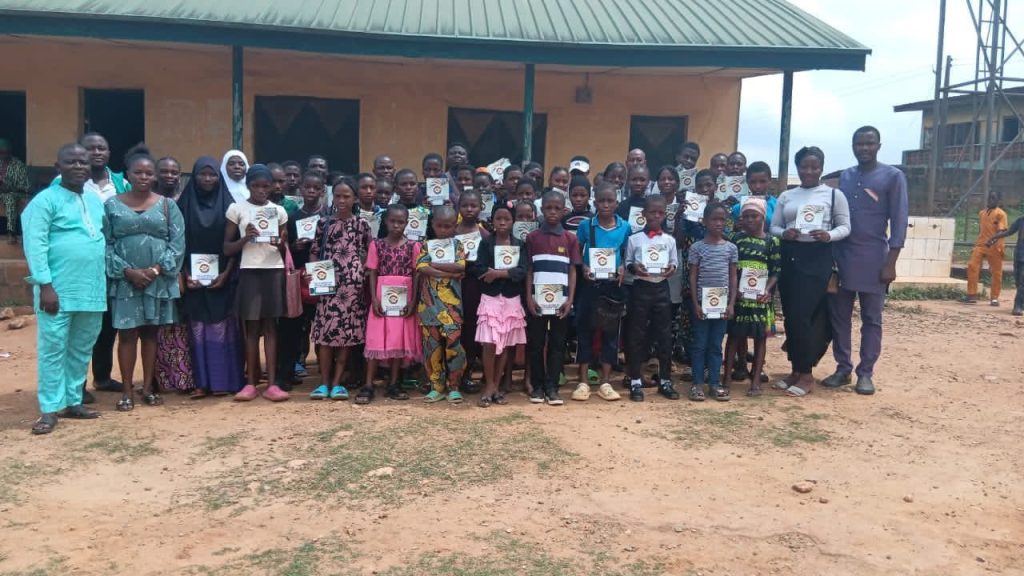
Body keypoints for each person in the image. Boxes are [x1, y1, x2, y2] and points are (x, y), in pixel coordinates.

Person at [23, 143, 105, 434]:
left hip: (92, 289)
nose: (79, 166)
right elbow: (35, 245)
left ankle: (73, 401)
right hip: (57, 290)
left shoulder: (94, 200)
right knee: (53, 348)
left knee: (81, 348)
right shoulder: (44, 201)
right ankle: (49, 409)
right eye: (71, 162)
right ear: (58, 167)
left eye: (83, 162)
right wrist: (45, 285)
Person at [825, 126, 909, 396]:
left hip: (874, 259)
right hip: (842, 257)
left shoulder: (893, 176)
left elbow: (899, 221)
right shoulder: (846, 176)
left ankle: (866, 373)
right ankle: (843, 368)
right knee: (839, 317)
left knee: (872, 319)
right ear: (853, 146)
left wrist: (891, 262)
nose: (864, 148)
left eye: (869, 143)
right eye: (859, 144)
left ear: (878, 146)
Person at [105, 145, 186, 411]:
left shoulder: (168, 206)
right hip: (125, 281)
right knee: (127, 334)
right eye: (138, 172)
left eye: (148, 173)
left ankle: (148, 388)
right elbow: (106, 243)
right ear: (127, 174)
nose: (143, 177)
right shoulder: (111, 205)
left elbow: (177, 244)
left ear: (155, 176)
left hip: (157, 280)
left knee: (151, 334)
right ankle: (127, 391)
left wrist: (154, 271)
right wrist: (127, 271)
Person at [770, 146, 850, 397]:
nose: (809, 171)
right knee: (791, 316)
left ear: (822, 168)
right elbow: (774, 227)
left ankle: (806, 375)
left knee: (804, 315)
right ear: (798, 167)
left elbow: (845, 226)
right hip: (790, 255)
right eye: (804, 166)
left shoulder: (834, 195)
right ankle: (795, 370)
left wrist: (828, 235)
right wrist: (785, 233)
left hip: (817, 257)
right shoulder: (787, 196)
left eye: (814, 167)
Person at [57, 133, 131, 400]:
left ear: (109, 153)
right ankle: (75, 386)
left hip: (112, 263)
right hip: (78, 265)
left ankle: (102, 376)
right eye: (91, 148)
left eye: (102, 148)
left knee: (107, 323)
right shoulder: (64, 183)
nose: (97, 152)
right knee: (79, 327)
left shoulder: (122, 182)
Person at [177, 156, 244, 398]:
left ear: (219, 177)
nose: (207, 179)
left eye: (212, 174)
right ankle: (201, 382)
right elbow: (177, 244)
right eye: (202, 174)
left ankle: (224, 380)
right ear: (194, 177)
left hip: (222, 279)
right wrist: (185, 274)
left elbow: (236, 244)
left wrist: (226, 274)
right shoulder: (182, 206)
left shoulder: (230, 206)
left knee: (222, 328)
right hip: (193, 280)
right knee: (197, 329)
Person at [223, 164, 290, 402]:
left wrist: (280, 243)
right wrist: (246, 238)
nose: (261, 190)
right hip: (249, 271)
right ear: (248, 185)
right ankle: (251, 383)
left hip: (273, 271)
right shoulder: (237, 209)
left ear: (272, 187)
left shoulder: (279, 211)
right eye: (256, 186)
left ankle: (272, 384)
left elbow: (284, 249)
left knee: (271, 328)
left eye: (265, 186)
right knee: (251, 329)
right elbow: (227, 248)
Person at [308, 176, 372, 402]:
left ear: (355, 198)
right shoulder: (323, 224)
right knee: (325, 336)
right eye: (338, 196)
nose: (342, 200)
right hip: (327, 286)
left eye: (346, 196)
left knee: (345, 336)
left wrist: (361, 269)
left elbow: (369, 253)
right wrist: (314, 272)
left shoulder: (362, 225)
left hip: (352, 289)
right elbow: (314, 250)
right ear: (332, 197)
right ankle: (323, 383)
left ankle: (337, 383)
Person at [573, 182, 629, 401]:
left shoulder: (625, 227)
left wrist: (622, 267)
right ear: (594, 202)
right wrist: (584, 268)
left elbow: (626, 253)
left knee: (610, 334)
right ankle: (583, 382)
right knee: (585, 332)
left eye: (610, 201)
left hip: (612, 287)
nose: (606, 205)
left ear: (616, 203)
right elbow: (577, 253)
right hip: (590, 285)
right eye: (601, 201)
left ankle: (606, 382)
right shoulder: (586, 226)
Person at [525, 190, 580, 406]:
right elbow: (529, 270)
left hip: (561, 302)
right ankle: (538, 386)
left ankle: (552, 387)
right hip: (538, 302)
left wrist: (570, 299)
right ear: (542, 209)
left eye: (557, 208)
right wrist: (529, 298)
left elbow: (572, 271)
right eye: (548, 208)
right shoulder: (532, 238)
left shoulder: (570, 239)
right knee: (536, 344)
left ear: (564, 211)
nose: (552, 212)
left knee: (558, 344)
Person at [471, 202, 528, 407]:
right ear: (492, 221)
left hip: (512, 298)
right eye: (498, 219)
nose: (502, 222)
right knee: (489, 343)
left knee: (504, 344)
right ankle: (489, 384)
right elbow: (478, 268)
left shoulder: (520, 244)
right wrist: (495, 274)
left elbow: (522, 270)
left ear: (513, 221)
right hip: (491, 298)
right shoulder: (486, 243)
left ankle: (496, 385)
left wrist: (499, 273)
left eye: (507, 219)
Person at [624, 195, 680, 402]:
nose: (656, 216)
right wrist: (635, 268)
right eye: (652, 212)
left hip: (661, 289)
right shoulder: (634, 239)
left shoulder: (669, 240)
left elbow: (674, 263)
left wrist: (671, 269)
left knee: (664, 335)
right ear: (644, 214)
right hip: (641, 288)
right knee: (636, 334)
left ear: (665, 214)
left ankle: (665, 380)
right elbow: (628, 262)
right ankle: (635, 380)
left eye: (660, 212)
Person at [723, 197, 780, 397]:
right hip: (739, 297)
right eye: (745, 216)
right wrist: (734, 290)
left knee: (760, 338)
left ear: (763, 217)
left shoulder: (772, 241)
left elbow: (775, 270)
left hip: (760, 300)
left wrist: (767, 290)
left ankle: (755, 380)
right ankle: (726, 379)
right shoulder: (735, 239)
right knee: (733, 337)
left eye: (754, 216)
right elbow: (730, 267)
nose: (749, 220)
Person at [364, 204, 421, 401]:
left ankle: (394, 383)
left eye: (400, 222)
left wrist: (413, 301)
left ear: (407, 223)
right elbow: (372, 272)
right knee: (375, 339)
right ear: (385, 221)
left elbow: (417, 275)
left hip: (403, 299)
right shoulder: (376, 245)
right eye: (392, 221)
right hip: (382, 297)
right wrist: (374, 298)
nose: (396, 225)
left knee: (397, 340)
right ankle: (368, 384)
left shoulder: (413, 246)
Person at [278, 171, 328, 384]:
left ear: (322, 191)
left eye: (316, 188)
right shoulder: (293, 217)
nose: (311, 191)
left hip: (323, 275)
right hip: (299, 276)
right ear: (301, 189)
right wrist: (294, 246)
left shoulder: (328, 217)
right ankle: (292, 368)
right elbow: (285, 247)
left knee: (323, 323)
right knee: (297, 324)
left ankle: (325, 371)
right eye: (307, 187)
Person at [416, 205, 468, 403]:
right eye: (439, 225)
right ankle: (436, 386)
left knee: (454, 347)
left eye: (448, 226)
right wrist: (449, 274)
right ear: (433, 224)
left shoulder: (458, 245)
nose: (443, 230)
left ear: (455, 226)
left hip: (452, 309)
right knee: (432, 348)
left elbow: (461, 265)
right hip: (428, 307)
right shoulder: (426, 245)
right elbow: (421, 267)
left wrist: (434, 264)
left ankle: (454, 386)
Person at [688, 202, 738, 401]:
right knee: (700, 344)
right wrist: (695, 304)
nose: (719, 223)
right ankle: (697, 384)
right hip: (702, 304)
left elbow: (733, 276)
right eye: (714, 219)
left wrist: (731, 303)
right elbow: (693, 277)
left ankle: (715, 384)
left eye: (722, 219)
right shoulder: (697, 248)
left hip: (722, 306)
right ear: (705, 221)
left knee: (716, 345)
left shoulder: (731, 248)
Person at [455, 190, 490, 393]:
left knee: (470, 330)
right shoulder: (451, 232)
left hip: (475, 288)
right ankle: (452, 373)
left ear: (480, 208)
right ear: (458, 207)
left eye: (473, 205)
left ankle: (467, 373)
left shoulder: (485, 235)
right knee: (455, 330)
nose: (469, 209)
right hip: (453, 287)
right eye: (465, 205)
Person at [963, 193, 1007, 306]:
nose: (990, 200)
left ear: (998, 200)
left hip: (995, 246)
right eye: (989, 198)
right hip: (981, 244)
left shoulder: (1000, 214)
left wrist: (991, 241)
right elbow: (982, 229)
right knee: (972, 265)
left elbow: (1002, 231)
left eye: (993, 198)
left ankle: (994, 298)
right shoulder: (982, 213)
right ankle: (971, 294)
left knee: (996, 272)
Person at [986, 214, 1024, 315]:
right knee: (1018, 281)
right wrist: (994, 237)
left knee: (1022, 282)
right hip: (1019, 255)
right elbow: (1009, 232)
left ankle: (1018, 306)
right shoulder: (1021, 220)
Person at [0, 137, 31, 243]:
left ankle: (11, 232)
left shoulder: (18, 165)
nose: (2, 155)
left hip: (14, 193)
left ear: (9, 151)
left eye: (4, 152)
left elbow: (26, 186)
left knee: (9, 198)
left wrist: (8, 187)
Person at [616, 165, 650, 233]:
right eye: (634, 179)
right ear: (628, 181)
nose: (638, 183)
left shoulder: (652, 206)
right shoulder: (621, 206)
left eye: (642, 180)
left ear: (648, 182)